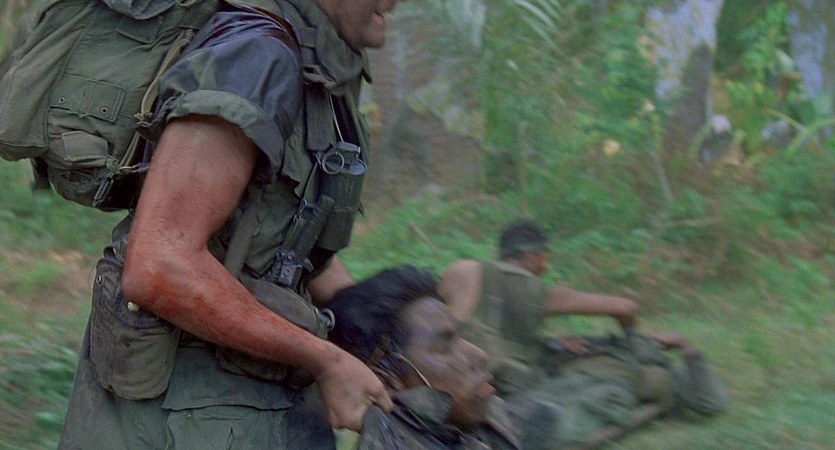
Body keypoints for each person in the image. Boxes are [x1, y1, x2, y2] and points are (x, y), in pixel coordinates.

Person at [58, 0, 401, 448]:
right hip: (179, 416)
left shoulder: (319, 67)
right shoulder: (253, 61)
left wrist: (389, 329)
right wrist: (325, 360)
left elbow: (282, 245)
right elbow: (161, 263)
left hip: (252, 404)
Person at [438, 219, 728, 448]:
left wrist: (551, 344)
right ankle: (515, 424)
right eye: (544, 258)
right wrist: (640, 338)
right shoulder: (541, 293)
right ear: (536, 256)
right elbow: (625, 307)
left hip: (450, 381)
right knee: (581, 400)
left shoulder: (465, 271)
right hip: (510, 386)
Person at [327, 266, 522, 450]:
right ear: (385, 381)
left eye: (461, 337)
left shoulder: (495, 420)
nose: (481, 355)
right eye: (444, 347)